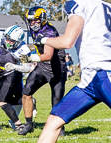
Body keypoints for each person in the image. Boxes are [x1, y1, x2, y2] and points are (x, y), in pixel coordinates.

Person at [36, 0, 111, 142]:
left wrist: (44, 39)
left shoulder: (80, 4)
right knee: (54, 120)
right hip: (89, 81)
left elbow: (67, 42)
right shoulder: (106, 6)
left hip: (103, 72)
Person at [18, 6, 67, 135]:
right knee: (26, 92)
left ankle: (60, 129)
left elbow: (48, 55)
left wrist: (30, 57)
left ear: (43, 19)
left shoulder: (49, 32)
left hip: (57, 69)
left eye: (36, 20)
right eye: (31, 20)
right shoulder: (33, 28)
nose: (32, 23)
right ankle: (28, 124)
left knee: (56, 102)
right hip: (42, 67)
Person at [0, 25, 37, 130]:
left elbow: (27, 68)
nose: (7, 41)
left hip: (13, 72)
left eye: (11, 40)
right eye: (7, 38)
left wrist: (14, 66)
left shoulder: (23, 49)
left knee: (13, 98)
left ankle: (17, 120)